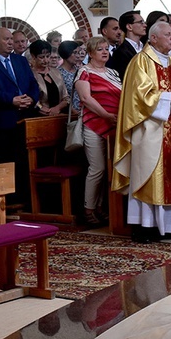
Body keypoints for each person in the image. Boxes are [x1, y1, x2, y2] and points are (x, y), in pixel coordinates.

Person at [112, 22, 171, 241]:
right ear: (154, 38)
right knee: (150, 174)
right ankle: (145, 226)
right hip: (150, 129)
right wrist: (169, 97)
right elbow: (138, 97)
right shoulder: (141, 62)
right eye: (168, 35)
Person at [75, 37, 122, 225]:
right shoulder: (84, 71)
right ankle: (88, 210)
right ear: (90, 53)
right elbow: (85, 98)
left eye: (106, 49)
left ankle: (102, 207)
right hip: (94, 124)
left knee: (110, 169)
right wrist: (105, 115)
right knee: (98, 168)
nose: (104, 52)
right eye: (100, 49)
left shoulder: (113, 73)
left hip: (114, 125)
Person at [0, 26, 39, 165]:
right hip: (2, 122)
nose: (11, 42)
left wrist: (32, 98)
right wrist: (11, 100)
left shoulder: (21, 61)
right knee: (5, 163)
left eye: (11, 39)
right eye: (6, 39)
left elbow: (33, 84)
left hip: (25, 119)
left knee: (26, 163)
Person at [29, 40, 69, 116]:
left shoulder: (56, 72)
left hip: (59, 114)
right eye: (41, 57)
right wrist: (40, 108)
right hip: (38, 116)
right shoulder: (29, 74)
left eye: (48, 56)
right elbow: (30, 98)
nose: (46, 60)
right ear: (33, 56)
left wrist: (57, 108)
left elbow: (66, 97)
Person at [107, 10, 146, 81]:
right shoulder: (120, 52)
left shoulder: (146, 47)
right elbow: (125, 78)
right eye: (141, 22)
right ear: (129, 26)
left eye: (144, 22)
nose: (145, 25)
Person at [57, 40, 84, 111]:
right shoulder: (58, 73)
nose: (78, 56)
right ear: (66, 53)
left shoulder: (80, 70)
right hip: (69, 113)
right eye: (75, 53)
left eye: (79, 53)